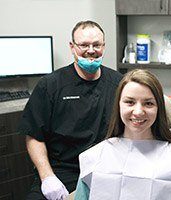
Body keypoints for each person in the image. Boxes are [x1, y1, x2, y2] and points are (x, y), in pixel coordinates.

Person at [18, 20, 123, 200]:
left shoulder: (119, 83)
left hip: (106, 169)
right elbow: (34, 135)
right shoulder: (50, 85)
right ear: (72, 47)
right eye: (84, 45)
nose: (91, 50)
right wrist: (48, 177)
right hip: (62, 171)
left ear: (104, 46)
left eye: (96, 44)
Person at [74, 69, 171, 200]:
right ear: (118, 105)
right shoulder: (94, 156)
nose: (138, 112)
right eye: (130, 102)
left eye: (148, 103)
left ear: (159, 108)